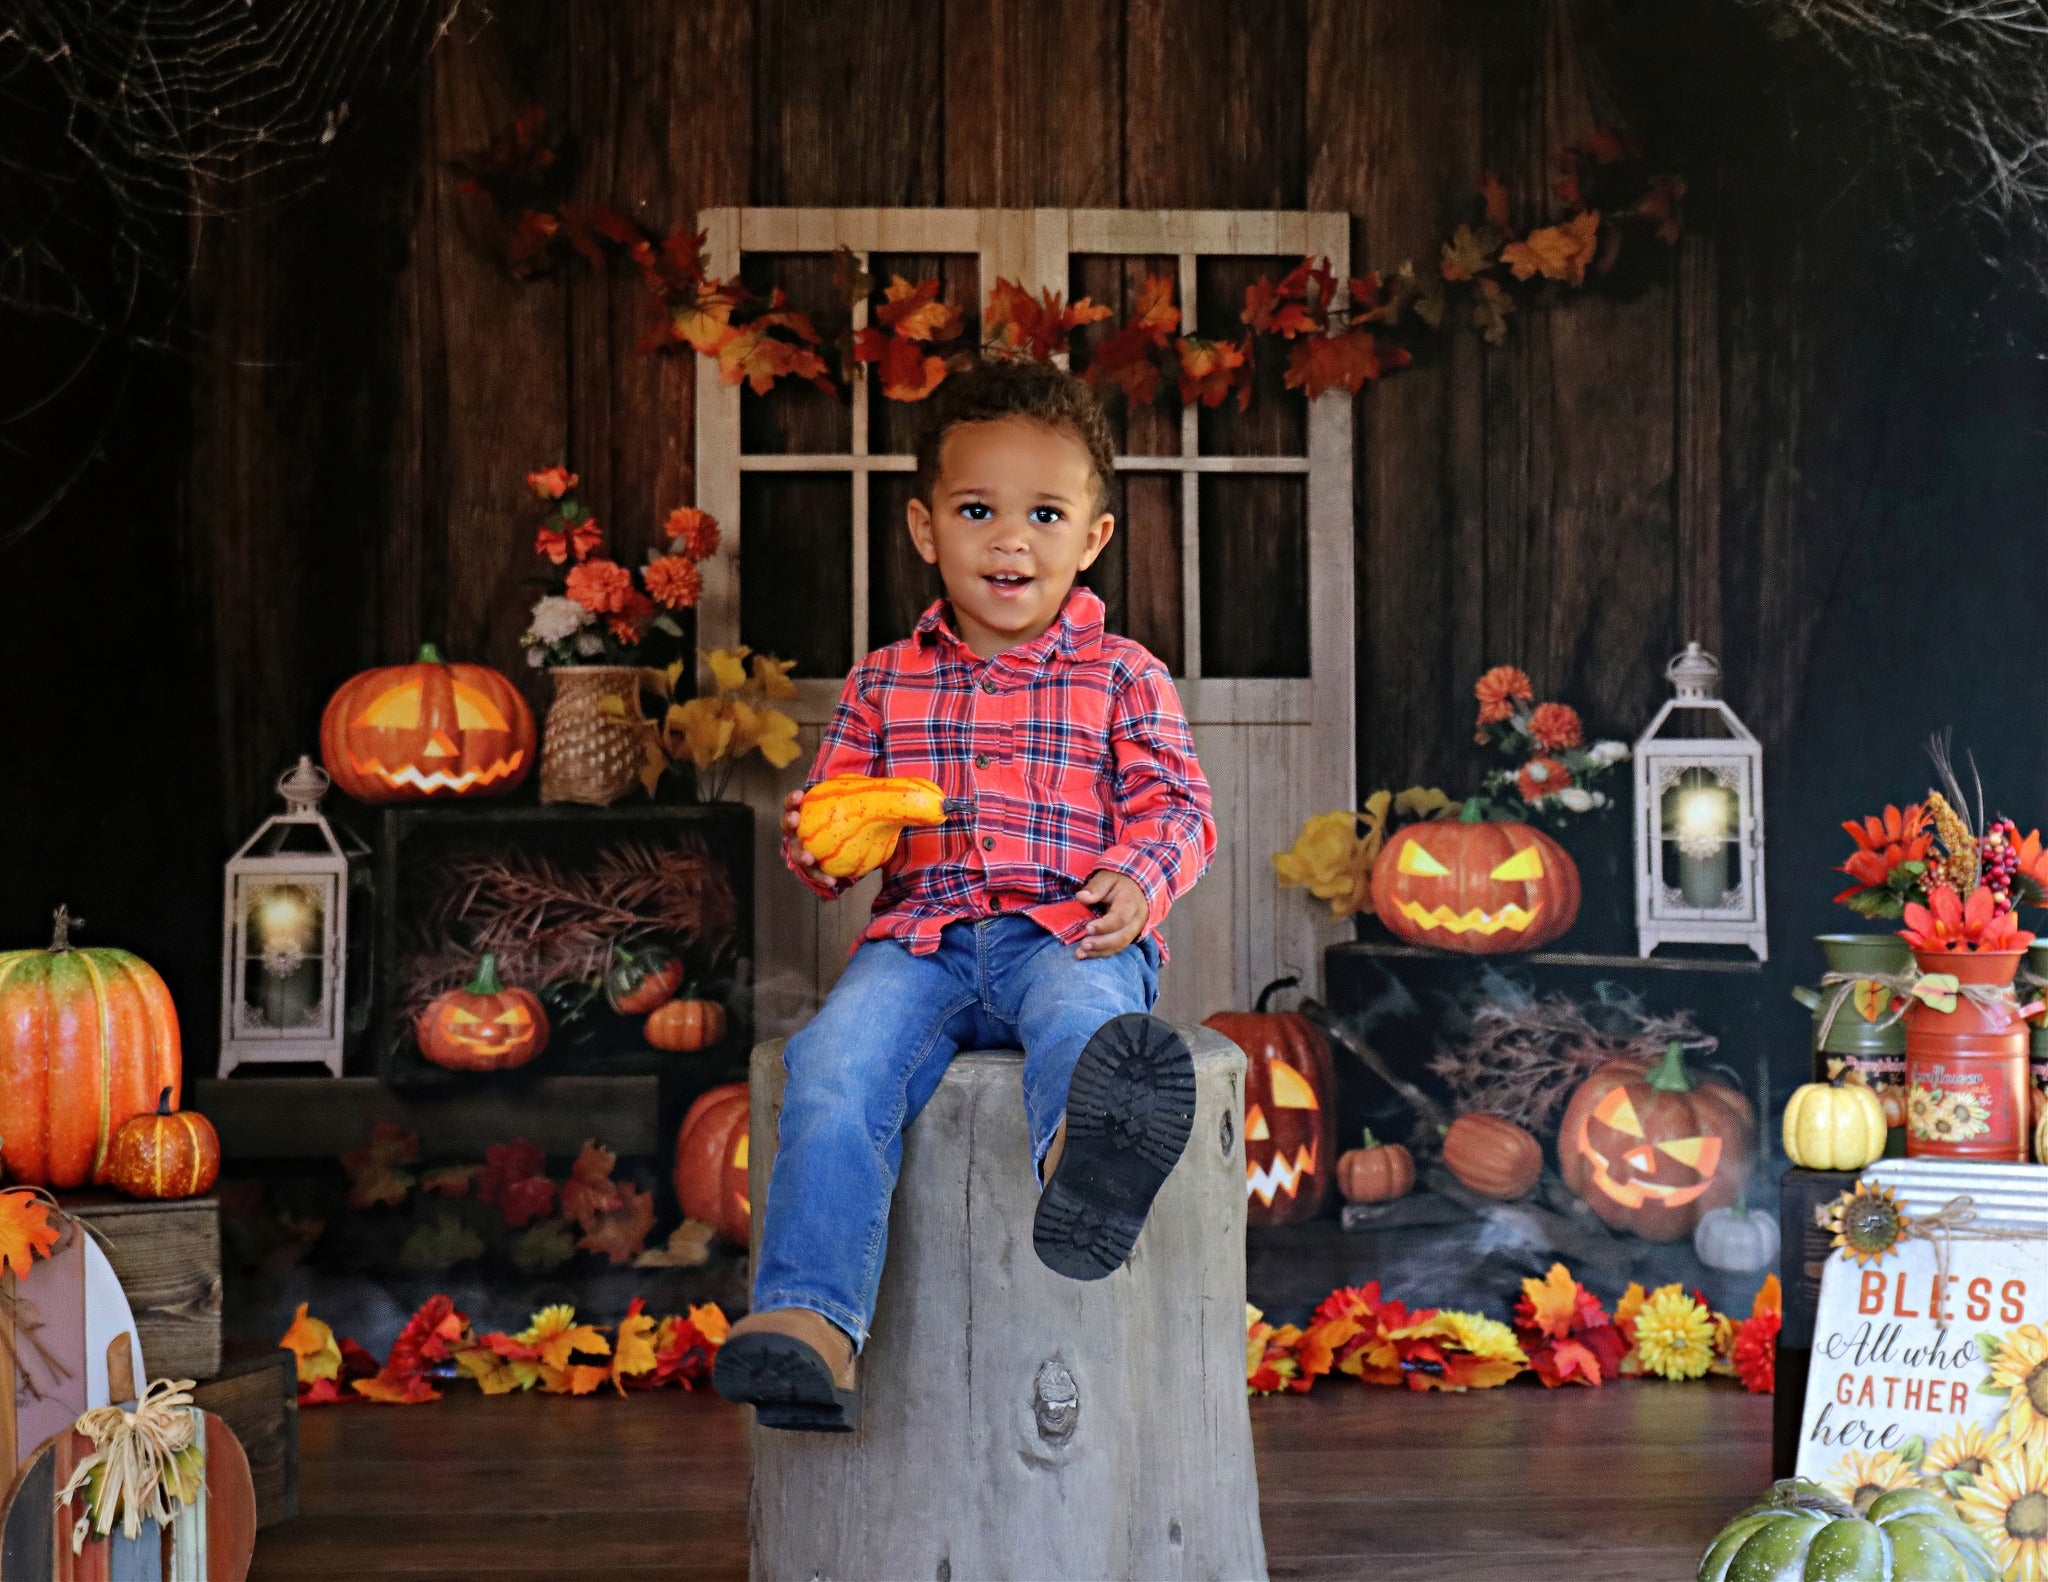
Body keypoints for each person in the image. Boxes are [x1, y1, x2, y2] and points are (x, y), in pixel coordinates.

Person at [712, 356, 1216, 1432]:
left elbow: (1178, 806)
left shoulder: (1125, 675)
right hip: (922, 941)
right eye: (977, 509)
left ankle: (1091, 1164)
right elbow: (828, 832)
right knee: (832, 1062)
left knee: (1087, 1024)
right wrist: (828, 846)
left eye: (1043, 513)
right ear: (922, 527)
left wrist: (1134, 878)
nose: (1008, 539)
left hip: (1063, 928)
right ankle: (809, 1323)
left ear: (1091, 538)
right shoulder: (884, 679)